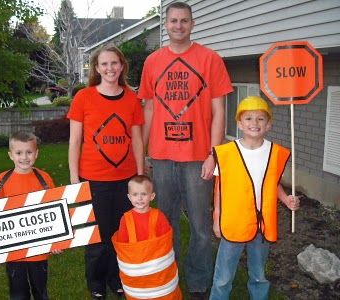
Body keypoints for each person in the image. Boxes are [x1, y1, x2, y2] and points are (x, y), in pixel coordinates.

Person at [137, 2, 233, 299]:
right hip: (163, 157)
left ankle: (199, 282)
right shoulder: (153, 61)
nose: (178, 26)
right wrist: (143, 152)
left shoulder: (210, 59)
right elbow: (149, 109)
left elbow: (220, 111)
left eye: (184, 21)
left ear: (192, 24)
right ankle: (170, 276)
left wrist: (213, 154)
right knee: (166, 222)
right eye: (173, 21)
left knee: (202, 227)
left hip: (197, 158)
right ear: (166, 25)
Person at [67, 44, 144, 300]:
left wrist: (140, 176)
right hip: (93, 178)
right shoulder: (84, 97)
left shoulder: (132, 99)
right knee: (97, 236)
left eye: (114, 63)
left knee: (119, 233)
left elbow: (137, 140)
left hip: (125, 178)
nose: (110, 68)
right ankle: (96, 283)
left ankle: (116, 279)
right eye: (104, 64)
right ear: (97, 68)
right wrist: (74, 177)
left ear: (122, 66)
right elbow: (75, 141)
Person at [209, 96, 301, 300]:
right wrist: (217, 217)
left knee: (259, 275)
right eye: (248, 118)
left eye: (261, 119)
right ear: (240, 123)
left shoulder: (274, 152)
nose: (254, 123)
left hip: (262, 224)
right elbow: (219, 189)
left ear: (268, 125)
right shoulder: (226, 153)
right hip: (233, 221)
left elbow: (273, 183)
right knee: (223, 276)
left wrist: (286, 200)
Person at [0, 131, 56, 300]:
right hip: (13, 249)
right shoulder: (3, 179)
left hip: (39, 249)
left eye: (29, 152)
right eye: (19, 153)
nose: (24, 157)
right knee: (18, 293)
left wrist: (56, 240)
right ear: (10, 155)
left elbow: (55, 210)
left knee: (41, 292)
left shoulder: (45, 178)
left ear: (37, 153)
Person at [112, 175, 182, 299]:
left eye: (144, 194)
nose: (139, 198)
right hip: (137, 280)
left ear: (152, 196)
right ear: (129, 197)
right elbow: (123, 247)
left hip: (160, 279)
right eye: (135, 194)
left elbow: (165, 244)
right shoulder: (125, 220)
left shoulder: (159, 217)